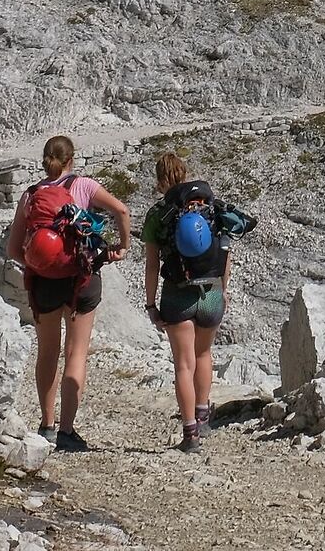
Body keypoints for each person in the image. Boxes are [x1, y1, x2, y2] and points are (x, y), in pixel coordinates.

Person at [7, 135, 130, 452]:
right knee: (75, 354)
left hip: (44, 283)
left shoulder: (31, 195)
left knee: (47, 352)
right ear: (71, 160)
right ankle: (67, 431)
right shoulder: (85, 186)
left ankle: (46, 426)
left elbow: (13, 248)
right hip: (82, 280)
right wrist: (122, 247)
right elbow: (122, 211)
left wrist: (39, 264)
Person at [145, 152, 244, 453]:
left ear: (161, 180)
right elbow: (224, 254)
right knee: (203, 354)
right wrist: (223, 289)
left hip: (178, 294)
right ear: (185, 173)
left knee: (183, 365)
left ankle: (190, 435)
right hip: (212, 291)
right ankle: (204, 418)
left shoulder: (158, 215)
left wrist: (151, 305)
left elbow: (151, 265)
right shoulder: (210, 209)